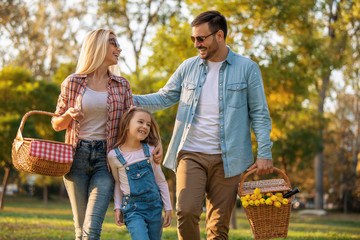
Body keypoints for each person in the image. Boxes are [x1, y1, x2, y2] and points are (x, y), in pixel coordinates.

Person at [133, 11, 273, 240]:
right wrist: (128, 98)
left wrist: (264, 153)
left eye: (201, 38)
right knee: (186, 212)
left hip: (230, 159)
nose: (196, 44)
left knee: (218, 228)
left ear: (219, 35)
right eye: (193, 39)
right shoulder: (188, 67)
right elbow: (164, 97)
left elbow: (259, 113)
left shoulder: (247, 68)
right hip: (191, 153)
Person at [51, 29, 162, 239]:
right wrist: (68, 115)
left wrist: (156, 142)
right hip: (76, 157)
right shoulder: (73, 82)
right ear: (98, 46)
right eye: (113, 43)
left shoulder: (122, 85)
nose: (119, 48)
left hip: (106, 159)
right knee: (80, 228)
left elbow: (134, 123)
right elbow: (56, 123)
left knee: (92, 228)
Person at [107, 107, 172, 240]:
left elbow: (160, 181)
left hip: (155, 207)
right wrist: (118, 207)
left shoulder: (151, 151)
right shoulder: (114, 156)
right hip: (133, 209)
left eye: (148, 124)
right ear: (127, 125)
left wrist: (168, 207)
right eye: (140, 122)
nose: (145, 126)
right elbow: (118, 183)